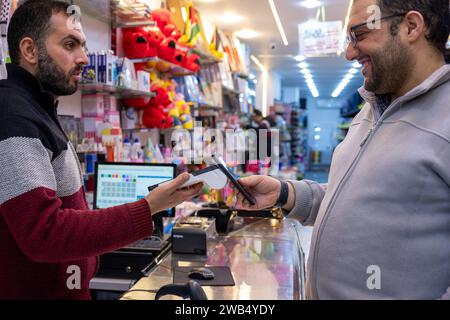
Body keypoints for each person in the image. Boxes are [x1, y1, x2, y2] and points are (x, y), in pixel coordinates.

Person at [236, 0, 450, 300]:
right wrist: (285, 194)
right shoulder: (371, 109)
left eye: (358, 35)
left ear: (411, 27)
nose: (349, 53)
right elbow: (350, 198)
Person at [0, 0, 202, 300]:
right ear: (29, 50)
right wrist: (147, 208)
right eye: (70, 45)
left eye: (82, 45)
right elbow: (43, 233)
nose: (83, 58)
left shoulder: (38, 109)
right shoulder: (13, 116)